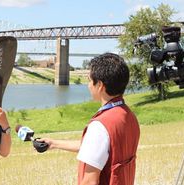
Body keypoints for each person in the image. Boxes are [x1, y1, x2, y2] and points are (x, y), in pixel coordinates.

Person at [39, 53, 140, 185]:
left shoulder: (100, 126)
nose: (88, 85)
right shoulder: (128, 116)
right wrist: (53, 143)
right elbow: (98, 148)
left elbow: (90, 181)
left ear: (100, 85)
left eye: (89, 80)